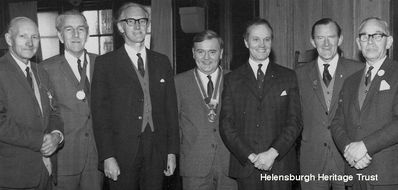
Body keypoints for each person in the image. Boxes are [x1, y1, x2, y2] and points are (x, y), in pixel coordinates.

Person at [91, 2, 179, 190]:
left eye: (142, 20)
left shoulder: (162, 62)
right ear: (120, 27)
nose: (138, 25)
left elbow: (171, 110)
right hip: (122, 151)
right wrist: (107, 156)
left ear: (148, 25)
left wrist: (171, 152)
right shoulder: (105, 64)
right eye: (131, 21)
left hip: (157, 149)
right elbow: (100, 116)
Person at [219, 18, 302, 190]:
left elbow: (295, 122)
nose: (262, 44)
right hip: (246, 167)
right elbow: (226, 125)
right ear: (246, 42)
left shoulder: (288, 76)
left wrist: (272, 153)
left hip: (280, 165)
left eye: (267, 39)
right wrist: (251, 156)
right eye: (256, 39)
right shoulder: (232, 79)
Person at [295, 18, 363, 190]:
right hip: (312, 160)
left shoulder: (359, 71)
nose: (326, 43)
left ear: (340, 40)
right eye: (320, 38)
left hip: (348, 160)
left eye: (331, 37)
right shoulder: (298, 75)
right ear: (312, 41)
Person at [331, 17, 398, 190]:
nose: (370, 41)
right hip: (354, 173)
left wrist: (365, 147)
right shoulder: (350, 81)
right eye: (364, 36)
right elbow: (337, 122)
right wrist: (349, 150)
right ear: (358, 44)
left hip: (386, 175)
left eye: (377, 36)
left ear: (389, 42)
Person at [41, 10, 103, 190]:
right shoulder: (45, 69)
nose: (76, 35)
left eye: (80, 29)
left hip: (97, 157)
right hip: (64, 158)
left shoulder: (103, 64)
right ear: (60, 35)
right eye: (69, 29)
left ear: (87, 32)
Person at [0, 17, 64, 189]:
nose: (30, 42)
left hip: (46, 172)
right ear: (8, 39)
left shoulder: (40, 71)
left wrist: (57, 136)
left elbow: (54, 111)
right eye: (23, 36)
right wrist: (41, 140)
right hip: (13, 176)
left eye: (35, 37)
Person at [175, 30, 237, 190]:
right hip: (194, 164)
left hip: (230, 163)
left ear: (221, 53)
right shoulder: (178, 82)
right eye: (201, 52)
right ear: (193, 53)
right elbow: (174, 125)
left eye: (212, 52)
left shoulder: (236, 80)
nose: (206, 58)